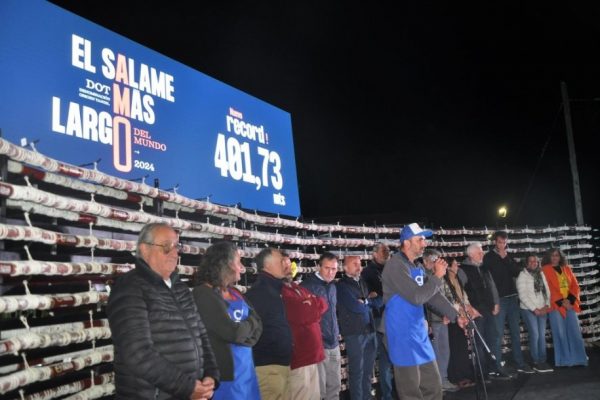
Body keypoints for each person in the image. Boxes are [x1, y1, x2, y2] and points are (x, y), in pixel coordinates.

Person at [107, 222, 219, 400]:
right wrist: (188, 387)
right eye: (167, 247)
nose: (175, 253)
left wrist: (211, 375)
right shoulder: (129, 287)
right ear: (145, 249)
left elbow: (202, 335)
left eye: (177, 246)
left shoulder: (180, 288)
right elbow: (138, 353)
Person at [382, 223, 467, 400]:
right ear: (406, 242)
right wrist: (436, 277)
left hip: (418, 333)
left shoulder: (417, 266)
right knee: (411, 392)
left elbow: (432, 295)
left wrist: (455, 315)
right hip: (401, 335)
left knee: (434, 387)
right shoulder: (395, 265)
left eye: (424, 239)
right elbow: (416, 296)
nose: (424, 243)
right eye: (419, 239)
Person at [192, 241, 263, 399]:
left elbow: (258, 323)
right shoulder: (203, 293)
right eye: (238, 262)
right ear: (226, 264)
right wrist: (244, 330)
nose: (241, 267)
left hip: (247, 373)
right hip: (225, 379)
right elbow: (232, 332)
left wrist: (242, 335)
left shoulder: (235, 291)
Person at [245, 247, 294, 399]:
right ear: (267, 265)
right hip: (267, 368)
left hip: (281, 365)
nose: (286, 264)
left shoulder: (275, 289)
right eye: (281, 260)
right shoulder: (258, 293)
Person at [483, 230, 534, 374]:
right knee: (497, 333)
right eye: (500, 242)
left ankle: (519, 363)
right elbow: (486, 278)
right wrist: (492, 300)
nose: (502, 245)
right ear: (495, 242)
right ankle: (497, 365)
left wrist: (505, 257)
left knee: (515, 332)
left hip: (512, 298)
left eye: (504, 242)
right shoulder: (488, 257)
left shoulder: (508, 256)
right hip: (498, 299)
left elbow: (516, 272)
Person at [281, 252, 328, 400]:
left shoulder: (297, 287)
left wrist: (311, 304)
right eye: (285, 264)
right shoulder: (283, 291)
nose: (289, 268)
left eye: (290, 264)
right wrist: (310, 303)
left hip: (313, 355)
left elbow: (323, 303)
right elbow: (303, 313)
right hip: (299, 358)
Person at [336, 255, 379, 400]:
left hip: (369, 330)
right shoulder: (341, 286)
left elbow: (378, 301)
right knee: (357, 372)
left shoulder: (362, 282)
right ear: (345, 268)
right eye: (354, 264)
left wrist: (366, 301)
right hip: (355, 334)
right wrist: (369, 301)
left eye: (359, 263)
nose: (358, 266)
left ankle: (367, 397)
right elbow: (355, 306)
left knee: (368, 371)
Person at [460, 242, 504, 380]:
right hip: (476, 311)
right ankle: (482, 373)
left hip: (489, 309)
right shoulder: (463, 270)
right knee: (479, 343)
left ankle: (495, 368)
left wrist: (496, 302)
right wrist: (469, 309)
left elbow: (492, 286)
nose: (482, 254)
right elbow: (459, 291)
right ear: (471, 254)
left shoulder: (485, 268)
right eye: (479, 252)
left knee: (495, 338)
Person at [301, 252, 342, 400]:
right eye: (327, 268)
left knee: (335, 387)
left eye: (334, 269)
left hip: (334, 344)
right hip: (318, 345)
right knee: (319, 391)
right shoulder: (306, 287)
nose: (331, 272)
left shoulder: (332, 287)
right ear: (319, 266)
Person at [541, 248, 588, 368]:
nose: (555, 257)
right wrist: (562, 302)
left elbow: (575, 286)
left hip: (569, 304)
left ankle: (579, 358)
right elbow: (548, 289)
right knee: (560, 333)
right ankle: (564, 360)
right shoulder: (545, 270)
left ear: (560, 257)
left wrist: (570, 300)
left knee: (575, 332)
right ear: (549, 257)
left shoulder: (567, 268)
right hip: (556, 305)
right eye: (552, 256)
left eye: (557, 255)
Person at [421, 248, 458, 393]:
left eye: (438, 260)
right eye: (434, 261)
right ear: (425, 262)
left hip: (444, 319)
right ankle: (436, 383)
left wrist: (450, 311)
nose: (437, 263)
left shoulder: (441, 276)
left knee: (445, 351)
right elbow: (427, 301)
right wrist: (442, 314)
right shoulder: (424, 277)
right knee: (435, 353)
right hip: (434, 320)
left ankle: (444, 379)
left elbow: (447, 294)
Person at [360, 243, 394, 400]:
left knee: (398, 356)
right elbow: (369, 297)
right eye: (383, 251)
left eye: (388, 250)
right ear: (374, 254)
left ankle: (401, 392)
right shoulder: (367, 272)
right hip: (379, 319)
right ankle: (387, 396)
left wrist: (379, 297)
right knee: (385, 359)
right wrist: (378, 298)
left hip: (396, 317)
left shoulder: (393, 268)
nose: (387, 253)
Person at [443, 257, 480, 388]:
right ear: (448, 267)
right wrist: (459, 309)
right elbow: (446, 299)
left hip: (462, 315)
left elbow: (463, 295)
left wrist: (468, 307)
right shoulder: (443, 280)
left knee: (463, 347)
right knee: (455, 348)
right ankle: (456, 377)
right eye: (454, 265)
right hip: (452, 317)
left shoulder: (457, 279)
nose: (457, 267)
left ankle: (464, 375)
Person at [516, 253, 553, 373]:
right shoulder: (522, 275)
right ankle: (536, 361)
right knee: (535, 334)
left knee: (541, 335)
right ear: (526, 263)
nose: (533, 263)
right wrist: (534, 309)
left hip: (542, 308)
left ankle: (542, 360)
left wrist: (547, 305)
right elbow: (522, 295)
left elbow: (547, 290)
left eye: (535, 261)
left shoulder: (541, 273)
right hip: (528, 310)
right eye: (531, 261)